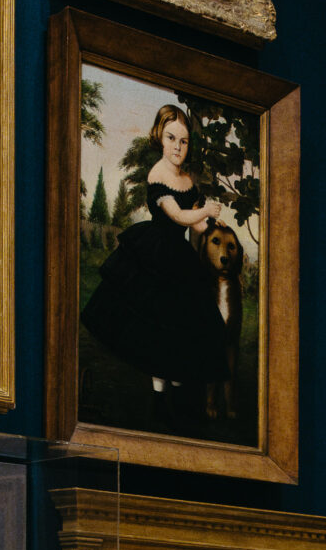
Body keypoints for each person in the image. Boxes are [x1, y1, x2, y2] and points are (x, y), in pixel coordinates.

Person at [79, 103, 236, 421]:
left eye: (183, 141)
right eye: (171, 138)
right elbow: (177, 215)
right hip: (157, 254)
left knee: (180, 328)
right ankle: (159, 398)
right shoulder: (158, 174)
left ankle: (177, 394)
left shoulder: (186, 178)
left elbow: (195, 225)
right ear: (158, 138)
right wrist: (203, 212)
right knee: (156, 329)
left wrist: (211, 222)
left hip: (180, 258)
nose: (178, 147)